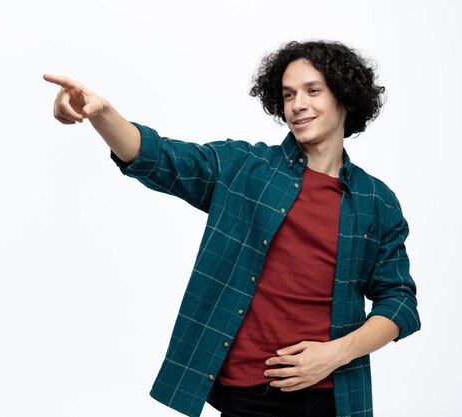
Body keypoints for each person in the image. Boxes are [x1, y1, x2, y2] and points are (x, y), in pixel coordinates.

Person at [43, 40, 420, 417]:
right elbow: (161, 158)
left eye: (313, 91)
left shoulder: (376, 200)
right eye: (289, 94)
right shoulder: (245, 167)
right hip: (247, 395)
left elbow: (399, 302)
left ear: (345, 97)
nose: (298, 104)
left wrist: (332, 355)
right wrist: (102, 114)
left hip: (333, 397)